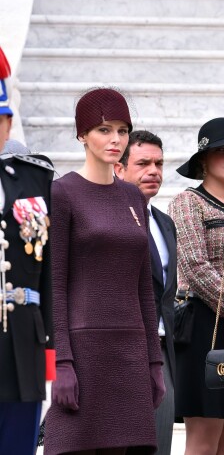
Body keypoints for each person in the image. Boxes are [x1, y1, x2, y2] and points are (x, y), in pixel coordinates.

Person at [44, 88, 165, 455]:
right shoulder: (62, 193)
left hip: (128, 352)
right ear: (82, 134)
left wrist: (154, 360)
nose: (115, 140)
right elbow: (56, 285)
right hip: (82, 352)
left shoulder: (133, 198)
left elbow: (145, 286)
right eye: (104, 129)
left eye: (122, 130)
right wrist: (61, 361)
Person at [168, 117, 224, 455]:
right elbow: (196, 269)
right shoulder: (187, 202)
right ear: (203, 159)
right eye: (221, 151)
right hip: (205, 324)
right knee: (203, 439)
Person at [0, 48, 55, 454]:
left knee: (18, 445)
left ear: (7, 122)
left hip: (22, 345)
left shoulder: (34, 179)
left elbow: (50, 270)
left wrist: (53, 349)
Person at [115, 130, 178, 455]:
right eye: (143, 163)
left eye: (158, 163)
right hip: (118, 352)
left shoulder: (165, 223)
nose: (153, 170)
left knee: (159, 446)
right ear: (120, 169)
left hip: (161, 351)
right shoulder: (106, 221)